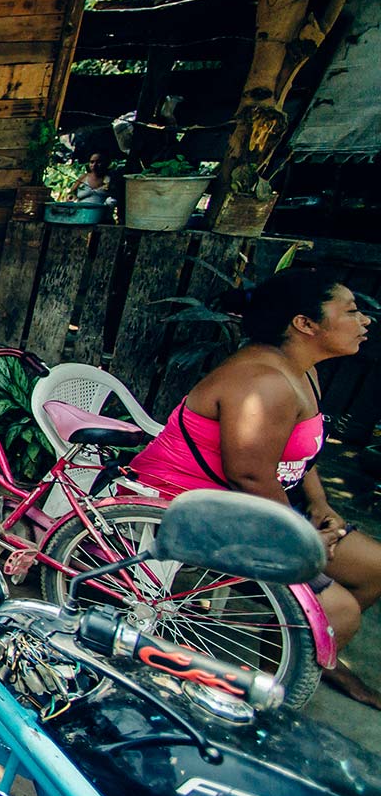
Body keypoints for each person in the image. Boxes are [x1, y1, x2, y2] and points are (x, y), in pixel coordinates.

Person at [131, 269, 381, 709]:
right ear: (305, 324)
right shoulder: (263, 382)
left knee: (374, 567)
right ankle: (268, 690)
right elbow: (248, 476)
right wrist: (299, 538)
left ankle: (295, 651)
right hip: (193, 507)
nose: (365, 321)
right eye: (352, 311)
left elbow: (298, 455)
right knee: (340, 611)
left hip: (256, 503)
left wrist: (319, 503)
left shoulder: (302, 371)